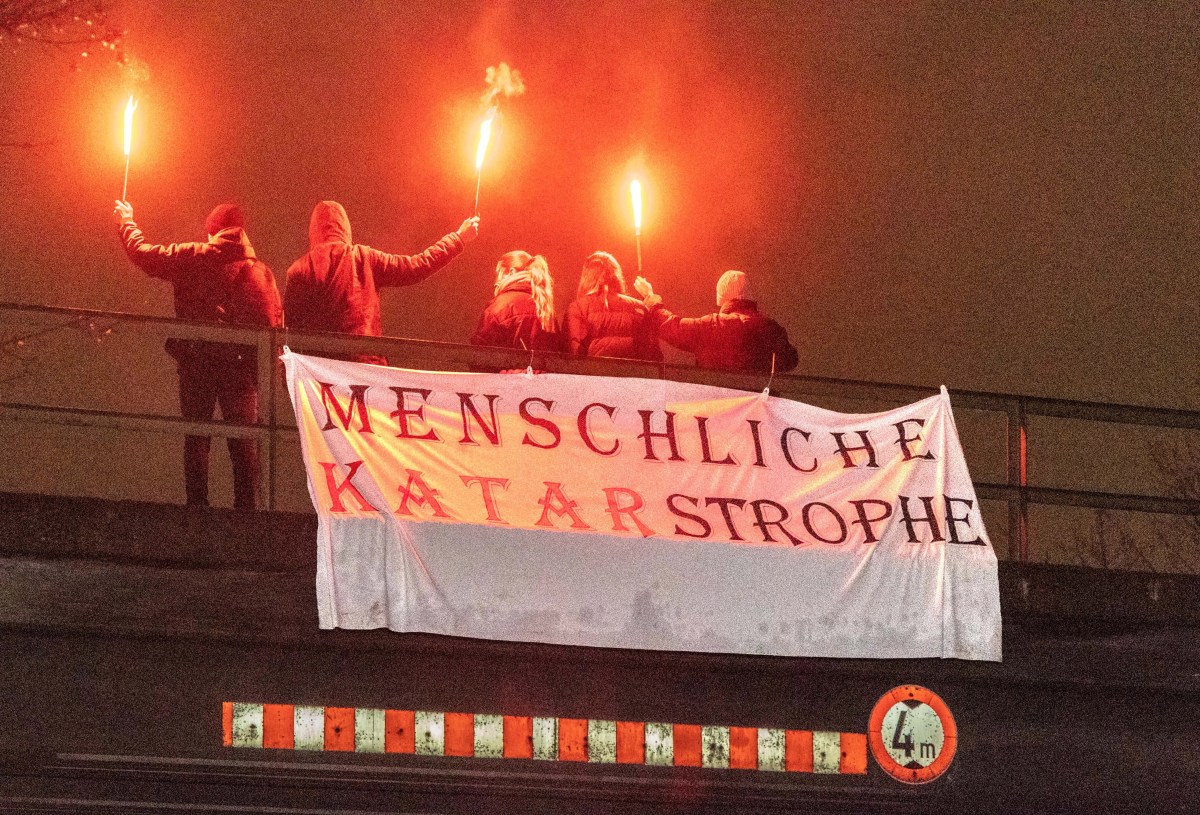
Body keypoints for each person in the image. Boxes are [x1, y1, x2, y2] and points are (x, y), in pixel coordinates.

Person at [113, 199, 282, 509]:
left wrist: (127, 222)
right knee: (244, 441)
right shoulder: (262, 273)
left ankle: (196, 509)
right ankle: (247, 512)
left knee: (196, 437)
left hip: (197, 364)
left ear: (212, 232)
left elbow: (144, 255)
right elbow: (273, 325)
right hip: (242, 372)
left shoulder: (193, 256)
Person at [284, 201, 479, 364]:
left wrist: (289, 375)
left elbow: (290, 333)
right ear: (345, 227)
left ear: (313, 231)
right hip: (367, 367)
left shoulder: (299, 270)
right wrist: (458, 238)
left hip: (323, 374)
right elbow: (415, 267)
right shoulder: (364, 258)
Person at [634, 269, 798, 373]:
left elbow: (671, 326)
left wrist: (650, 298)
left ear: (722, 298)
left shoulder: (713, 325)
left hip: (718, 412)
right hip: (759, 416)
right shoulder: (771, 329)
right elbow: (790, 360)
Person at [565, 251, 662, 362]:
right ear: (616, 276)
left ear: (587, 277)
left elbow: (573, 353)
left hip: (594, 377)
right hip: (634, 377)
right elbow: (653, 354)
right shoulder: (640, 308)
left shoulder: (577, 308)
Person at [470, 250, 562, 353]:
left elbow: (479, 355)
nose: (496, 282)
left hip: (505, 369)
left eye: (499, 274)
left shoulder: (499, 306)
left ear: (511, 272)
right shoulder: (545, 308)